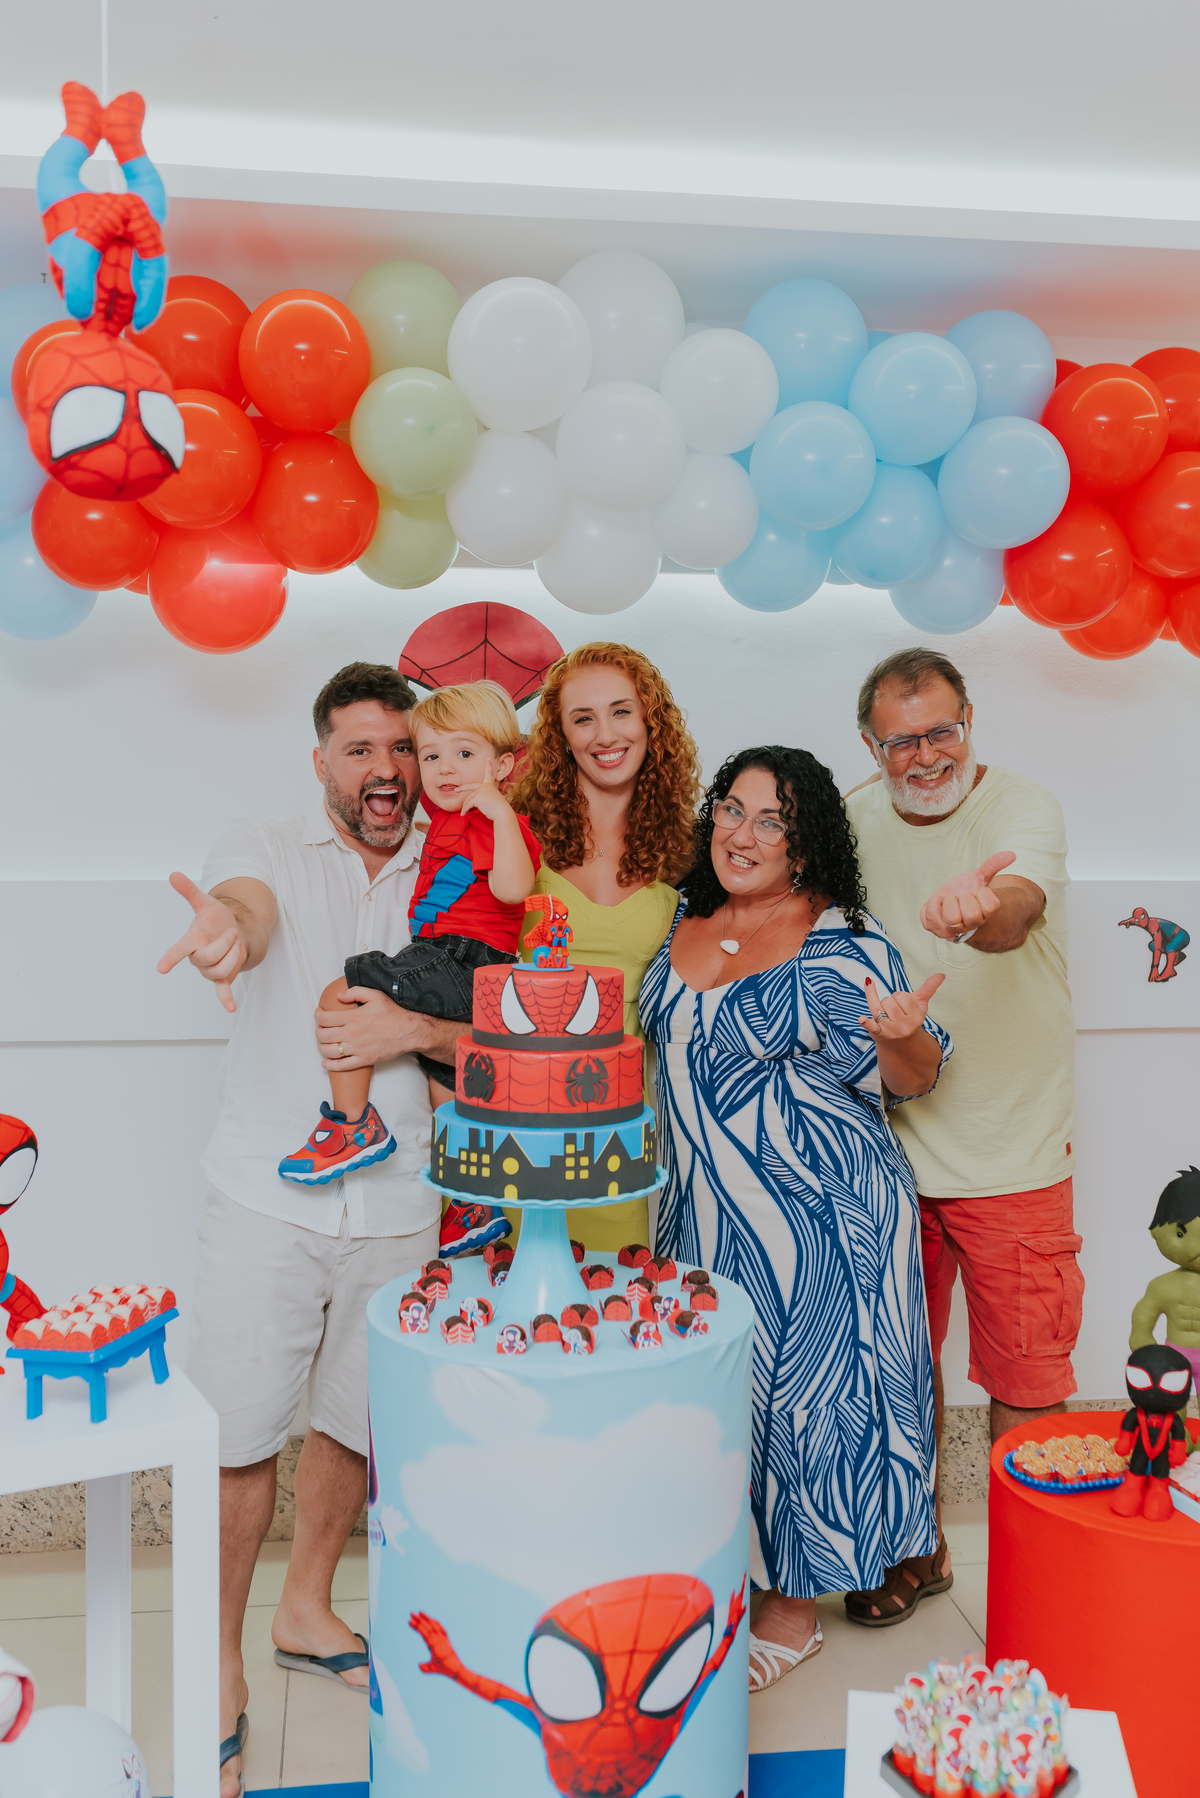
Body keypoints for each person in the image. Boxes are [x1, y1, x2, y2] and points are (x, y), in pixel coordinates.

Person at [157, 662, 461, 1798]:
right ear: (322, 758)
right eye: (360, 750)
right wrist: (225, 929)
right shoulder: (270, 841)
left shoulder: (457, 858)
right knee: (239, 1438)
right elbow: (246, 901)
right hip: (268, 1200)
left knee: (350, 1423)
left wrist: (419, 1023)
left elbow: (478, 1019)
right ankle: (220, 1669)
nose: (385, 773)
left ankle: (306, 1608)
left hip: (400, 1202)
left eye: (401, 751)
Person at [640, 746, 949, 1692]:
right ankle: (735, 1574)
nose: (743, 834)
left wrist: (904, 1041)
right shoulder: (686, 920)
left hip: (826, 1218)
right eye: (732, 810)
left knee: (812, 1412)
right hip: (699, 1215)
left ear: (807, 844)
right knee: (727, 1406)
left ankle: (793, 1611)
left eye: (772, 820)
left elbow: (914, 1072)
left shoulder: (841, 940)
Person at [843, 646, 1078, 1627]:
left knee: (1026, 1377)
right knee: (900, 1372)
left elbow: (1018, 908)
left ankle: (1043, 1572)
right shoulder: (851, 818)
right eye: (904, 740)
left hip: (1012, 1153)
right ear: (873, 745)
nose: (927, 755)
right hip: (890, 1148)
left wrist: (983, 910)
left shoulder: (1021, 808)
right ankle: (917, 1549)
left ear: (970, 719)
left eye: (944, 730)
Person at [278, 681, 541, 1244]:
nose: (445, 769)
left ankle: (353, 1125)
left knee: (343, 993)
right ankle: (471, 1204)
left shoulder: (497, 823)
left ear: (504, 766)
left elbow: (516, 889)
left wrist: (499, 812)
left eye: (465, 754)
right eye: (430, 755)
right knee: (444, 1087)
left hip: (465, 959)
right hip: (455, 961)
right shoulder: (442, 819)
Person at [508, 643, 701, 1252]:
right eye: (582, 718)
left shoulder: (693, 852)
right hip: (516, 1129)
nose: (604, 734)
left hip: (623, 1135)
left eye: (621, 711)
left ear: (651, 723)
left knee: (617, 1316)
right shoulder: (515, 836)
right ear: (560, 736)